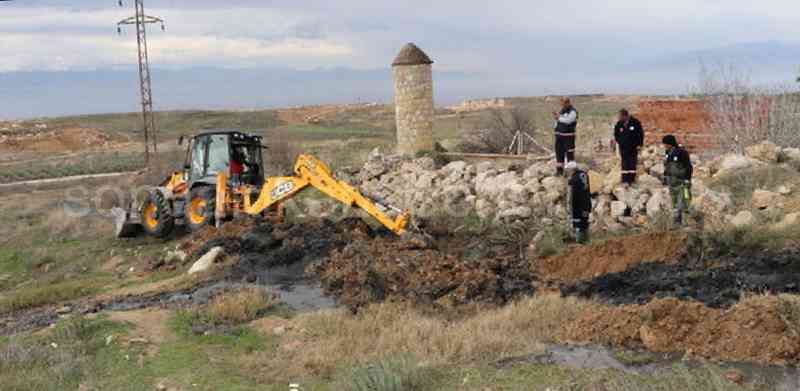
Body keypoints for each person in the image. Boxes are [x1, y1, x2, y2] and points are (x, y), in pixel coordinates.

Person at [662, 135, 693, 225]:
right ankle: (677, 223)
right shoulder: (668, 152)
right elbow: (667, 166)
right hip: (672, 183)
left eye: (666, 144)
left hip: (683, 183)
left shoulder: (682, 152)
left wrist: (687, 179)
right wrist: (665, 178)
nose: (665, 146)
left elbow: (688, 167)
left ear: (670, 143)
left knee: (684, 201)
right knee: (674, 204)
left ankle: (688, 222)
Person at [613, 109, 644, 184]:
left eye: (620, 116)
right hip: (623, 148)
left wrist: (639, 144)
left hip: (633, 148)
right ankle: (625, 180)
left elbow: (640, 134)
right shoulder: (619, 124)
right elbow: (616, 134)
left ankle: (631, 180)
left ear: (625, 116)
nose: (619, 118)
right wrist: (619, 141)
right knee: (624, 164)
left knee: (632, 164)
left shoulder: (635, 122)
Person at [565, 161, 591, 244]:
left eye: (568, 170)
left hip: (578, 205)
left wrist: (569, 206)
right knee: (585, 221)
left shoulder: (574, 180)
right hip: (587, 203)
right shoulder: (584, 175)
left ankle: (579, 241)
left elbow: (572, 196)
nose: (568, 173)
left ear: (572, 170)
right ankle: (587, 240)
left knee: (578, 223)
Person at [553, 98, 579, 176]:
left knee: (569, 153)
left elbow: (568, 121)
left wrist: (558, 118)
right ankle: (559, 171)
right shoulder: (562, 111)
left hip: (568, 137)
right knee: (559, 153)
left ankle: (571, 172)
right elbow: (558, 121)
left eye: (563, 104)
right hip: (559, 136)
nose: (562, 105)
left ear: (568, 103)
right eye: (561, 104)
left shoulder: (573, 112)